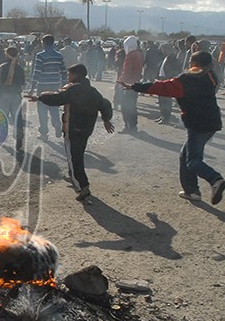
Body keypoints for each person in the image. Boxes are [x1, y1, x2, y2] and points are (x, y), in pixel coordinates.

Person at [120, 51, 225, 205]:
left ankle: (215, 180)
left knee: (193, 161)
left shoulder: (188, 80)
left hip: (198, 124)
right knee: (185, 156)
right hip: (212, 122)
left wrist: (134, 87)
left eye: (191, 61)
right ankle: (191, 191)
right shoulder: (211, 76)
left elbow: (162, 87)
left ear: (194, 64)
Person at [29, 63, 115, 201]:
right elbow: (105, 104)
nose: (68, 76)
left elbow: (57, 98)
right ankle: (73, 176)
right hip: (86, 129)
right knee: (77, 154)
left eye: (70, 74)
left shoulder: (73, 89)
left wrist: (40, 97)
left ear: (76, 75)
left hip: (73, 128)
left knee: (74, 157)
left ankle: (82, 186)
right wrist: (106, 119)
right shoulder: (92, 91)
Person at [28, 34, 66, 140]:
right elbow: (63, 71)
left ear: (43, 43)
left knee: (42, 110)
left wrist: (32, 88)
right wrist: (64, 86)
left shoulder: (40, 56)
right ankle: (57, 124)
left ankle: (44, 132)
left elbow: (37, 72)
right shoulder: (59, 55)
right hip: (55, 85)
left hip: (42, 86)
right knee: (53, 107)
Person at [0, 46, 25, 129]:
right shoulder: (19, 68)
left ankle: (2, 136)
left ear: (7, 55)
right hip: (16, 95)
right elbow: (22, 82)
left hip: (4, 95)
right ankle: (18, 136)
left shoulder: (3, 67)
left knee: (3, 117)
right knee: (17, 117)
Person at [117, 35, 143, 132]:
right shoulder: (138, 54)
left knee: (126, 106)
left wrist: (121, 80)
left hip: (128, 85)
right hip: (135, 84)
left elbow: (126, 71)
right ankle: (133, 126)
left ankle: (128, 126)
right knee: (132, 105)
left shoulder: (131, 56)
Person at [156, 42, 181, 124]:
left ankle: (166, 117)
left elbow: (174, 71)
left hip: (167, 80)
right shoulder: (166, 57)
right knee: (161, 100)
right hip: (161, 80)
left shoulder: (172, 59)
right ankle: (162, 116)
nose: (163, 51)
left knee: (166, 101)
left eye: (164, 49)